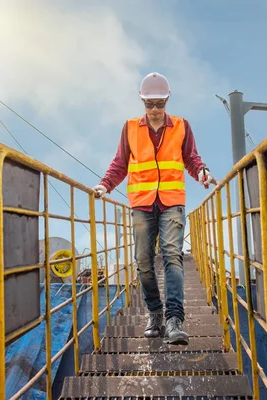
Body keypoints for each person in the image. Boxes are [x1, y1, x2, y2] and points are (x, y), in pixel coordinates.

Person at [92, 72, 217, 345]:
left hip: (172, 201)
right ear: (142, 102)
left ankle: (175, 319)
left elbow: (191, 159)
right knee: (144, 262)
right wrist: (104, 185)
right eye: (150, 104)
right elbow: (120, 164)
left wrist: (203, 173)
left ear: (167, 100)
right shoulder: (130, 128)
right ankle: (155, 313)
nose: (155, 110)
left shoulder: (182, 126)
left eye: (160, 104)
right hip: (142, 203)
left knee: (173, 254)